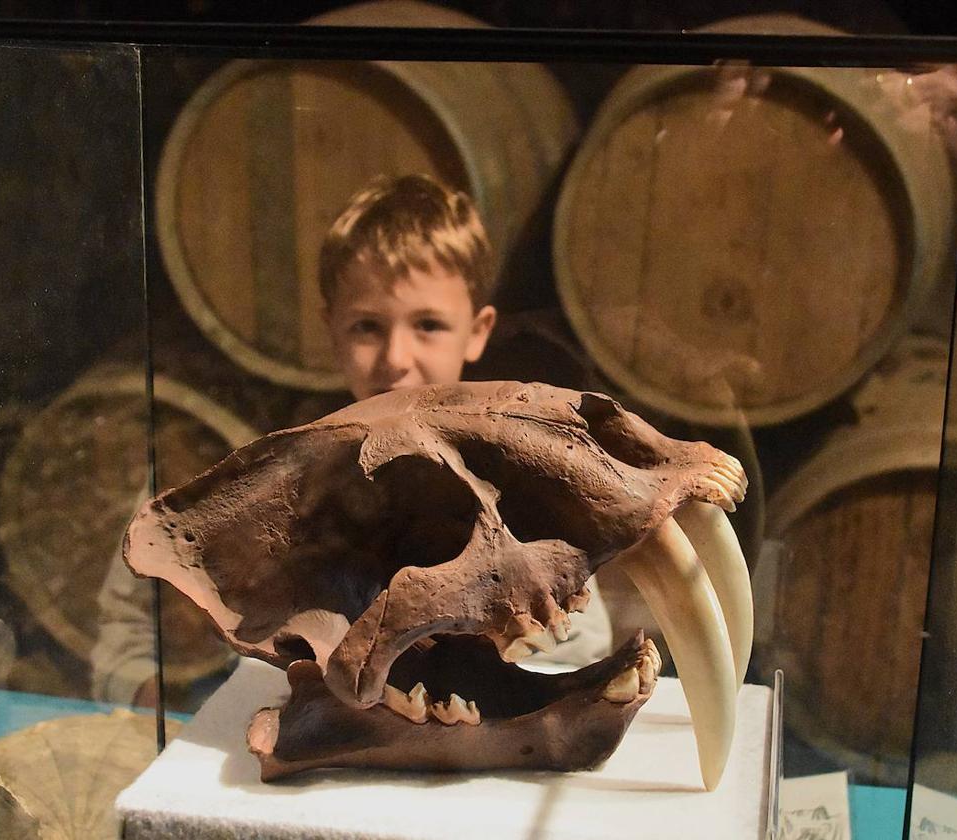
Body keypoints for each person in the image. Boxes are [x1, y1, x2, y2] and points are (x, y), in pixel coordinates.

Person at [91, 174, 613, 707]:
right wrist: (176, 705)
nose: (395, 359)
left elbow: (582, 645)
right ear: (331, 327)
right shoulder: (271, 485)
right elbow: (126, 636)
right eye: (367, 326)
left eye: (428, 325)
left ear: (478, 330)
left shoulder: (522, 493)